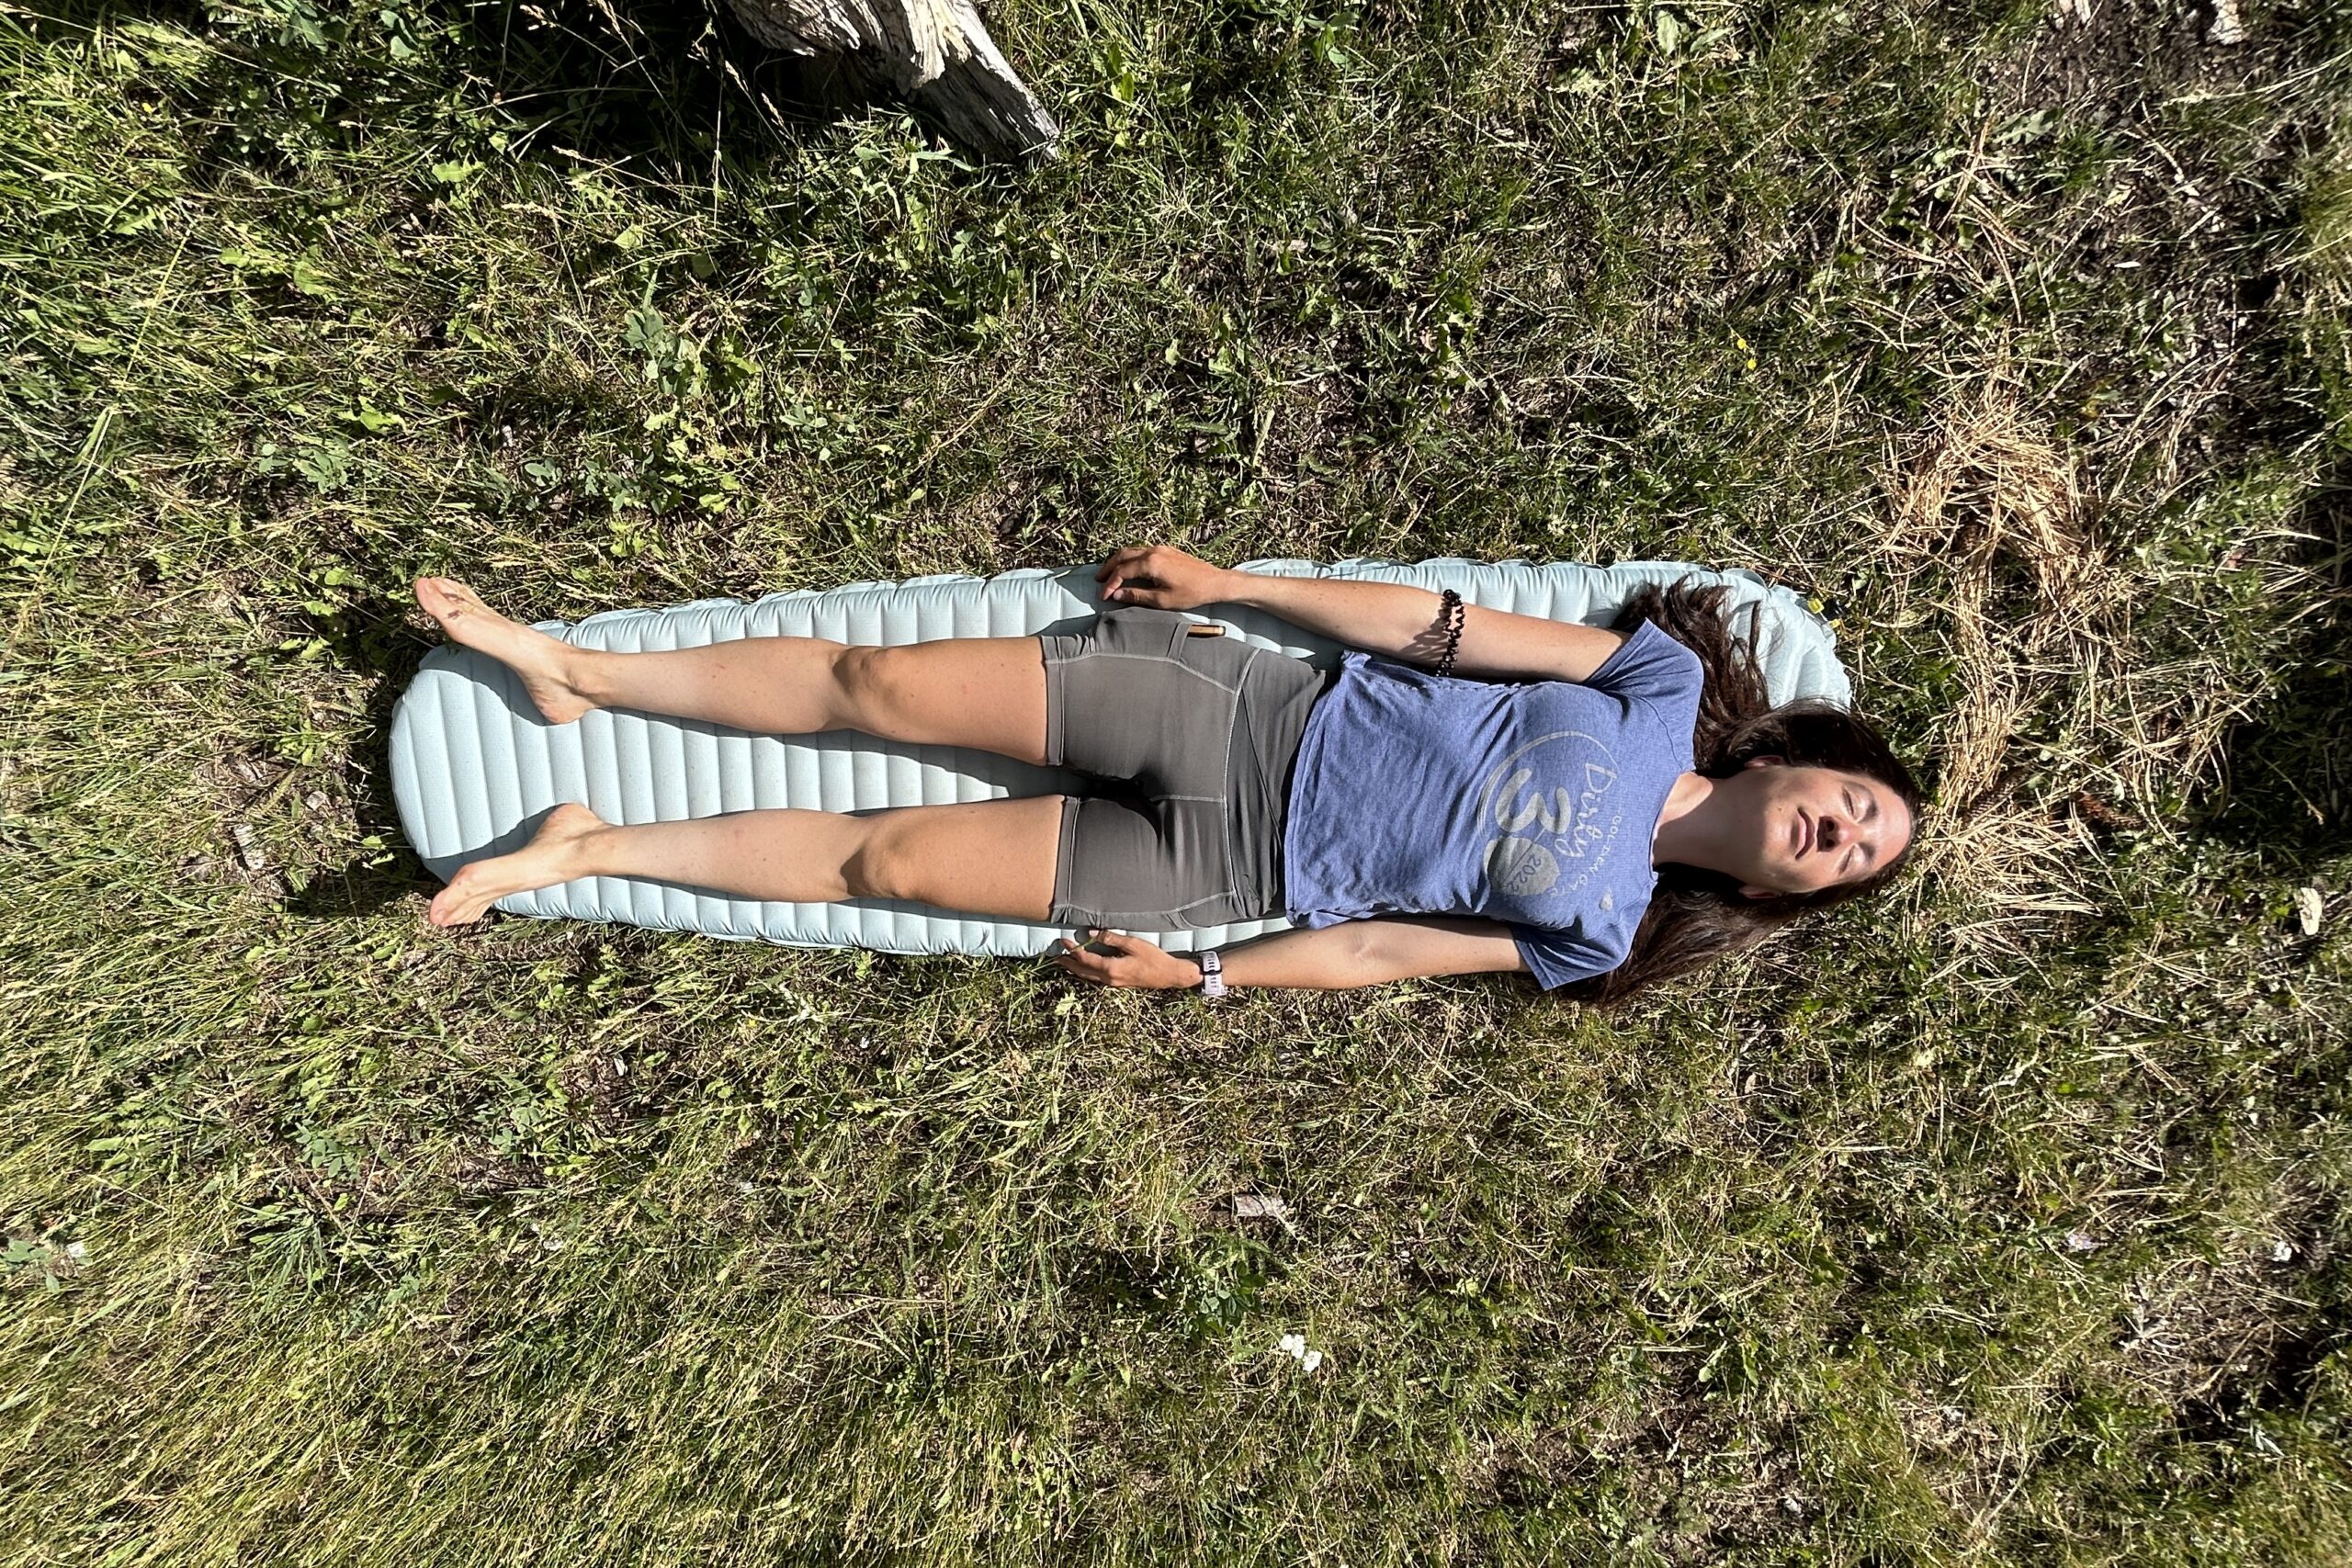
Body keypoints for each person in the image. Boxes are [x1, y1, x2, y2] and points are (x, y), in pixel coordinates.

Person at [412, 546, 1922, 1002]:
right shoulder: (1655, 688)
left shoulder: (1596, 932)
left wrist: (1203, 983)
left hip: (1221, 872)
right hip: (1239, 714)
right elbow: (1440, 628)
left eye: (1856, 856)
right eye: (1858, 806)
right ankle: (574, 668)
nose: (1844, 832)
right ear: (1803, 758)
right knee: (873, 685)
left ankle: (581, 851)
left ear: (1785, 887)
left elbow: (1386, 946)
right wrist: (1240, 582)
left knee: (885, 864)